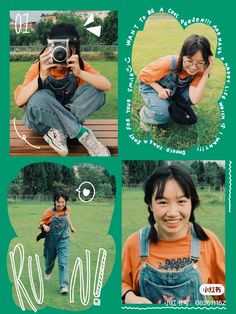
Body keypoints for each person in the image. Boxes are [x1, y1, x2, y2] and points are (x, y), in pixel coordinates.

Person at [122, 165, 225, 304]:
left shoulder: (207, 241)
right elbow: (121, 284)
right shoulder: (134, 243)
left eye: (181, 201)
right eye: (163, 202)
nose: (172, 212)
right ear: (151, 205)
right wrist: (129, 296)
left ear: (191, 203)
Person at [14, 23, 112, 156]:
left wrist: (80, 73)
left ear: (75, 50)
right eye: (57, 47)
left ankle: (58, 129)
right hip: (41, 123)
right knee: (39, 97)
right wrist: (41, 76)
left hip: (62, 116)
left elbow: (106, 86)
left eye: (67, 47)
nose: (61, 52)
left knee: (97, 91)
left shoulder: (79, 65)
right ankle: (82, 135)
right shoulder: (39, 66)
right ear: (49, 48)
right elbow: (20, 101)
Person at [138, 34, 213, 128]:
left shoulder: (201, 71)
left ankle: (167, 106)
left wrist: (205, 74)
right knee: (163, 113)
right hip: (152, 86)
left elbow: (194, 98)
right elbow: (143, 74)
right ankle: (145, 114)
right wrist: (160, 89)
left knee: (188, 97)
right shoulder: (168, 63)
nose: (194, 67)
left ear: (206, 62)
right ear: (183, 56)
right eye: (190, 61)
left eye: (200, 62)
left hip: (173, 91)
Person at [38, 192, 75, 294]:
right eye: (59, 202)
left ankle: (64, 286)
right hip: (51, 239)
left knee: (63, 262)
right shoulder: (49, 211)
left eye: (63, 202)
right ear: (55, 202)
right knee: (49, 259)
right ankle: (48, 271)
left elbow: (67, 216)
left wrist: (71, 227)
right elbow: (41, 222)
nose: (61, 204)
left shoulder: (67, 209)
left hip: (64, 239)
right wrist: (44, 226)